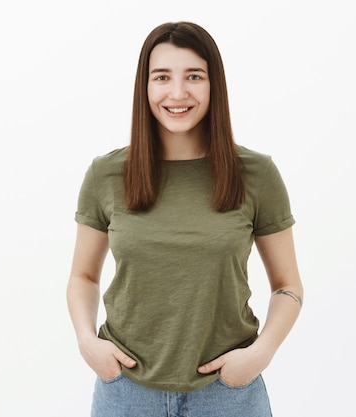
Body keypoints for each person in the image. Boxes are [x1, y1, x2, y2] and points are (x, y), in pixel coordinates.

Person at [66, 21, 303, 417]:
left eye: (194, 76)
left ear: (214, 85)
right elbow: (83, 276)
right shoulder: (106, 175)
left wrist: (260, 354)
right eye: (162, 77)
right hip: (126, 392)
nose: (178, 93)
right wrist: (87, 342)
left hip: (228, 394)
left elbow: (288, 286)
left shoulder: (256, 175)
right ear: (145, 87)